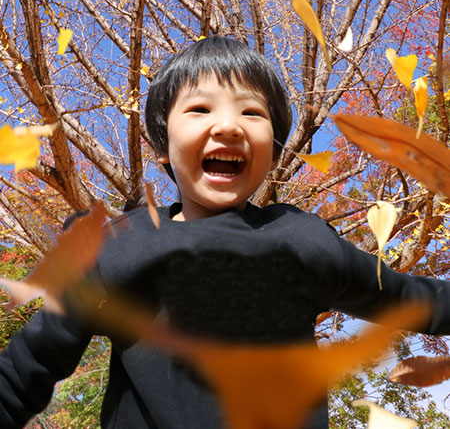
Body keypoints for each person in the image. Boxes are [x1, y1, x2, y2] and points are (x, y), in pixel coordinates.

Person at [0, 36, 450, 429]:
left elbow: (412, 299)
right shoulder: (116, 247)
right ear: (162, 146)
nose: (230, 126)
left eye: (252, 112)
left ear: (274, 149)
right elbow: (24, 371)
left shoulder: (303, 239)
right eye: (200, 108)